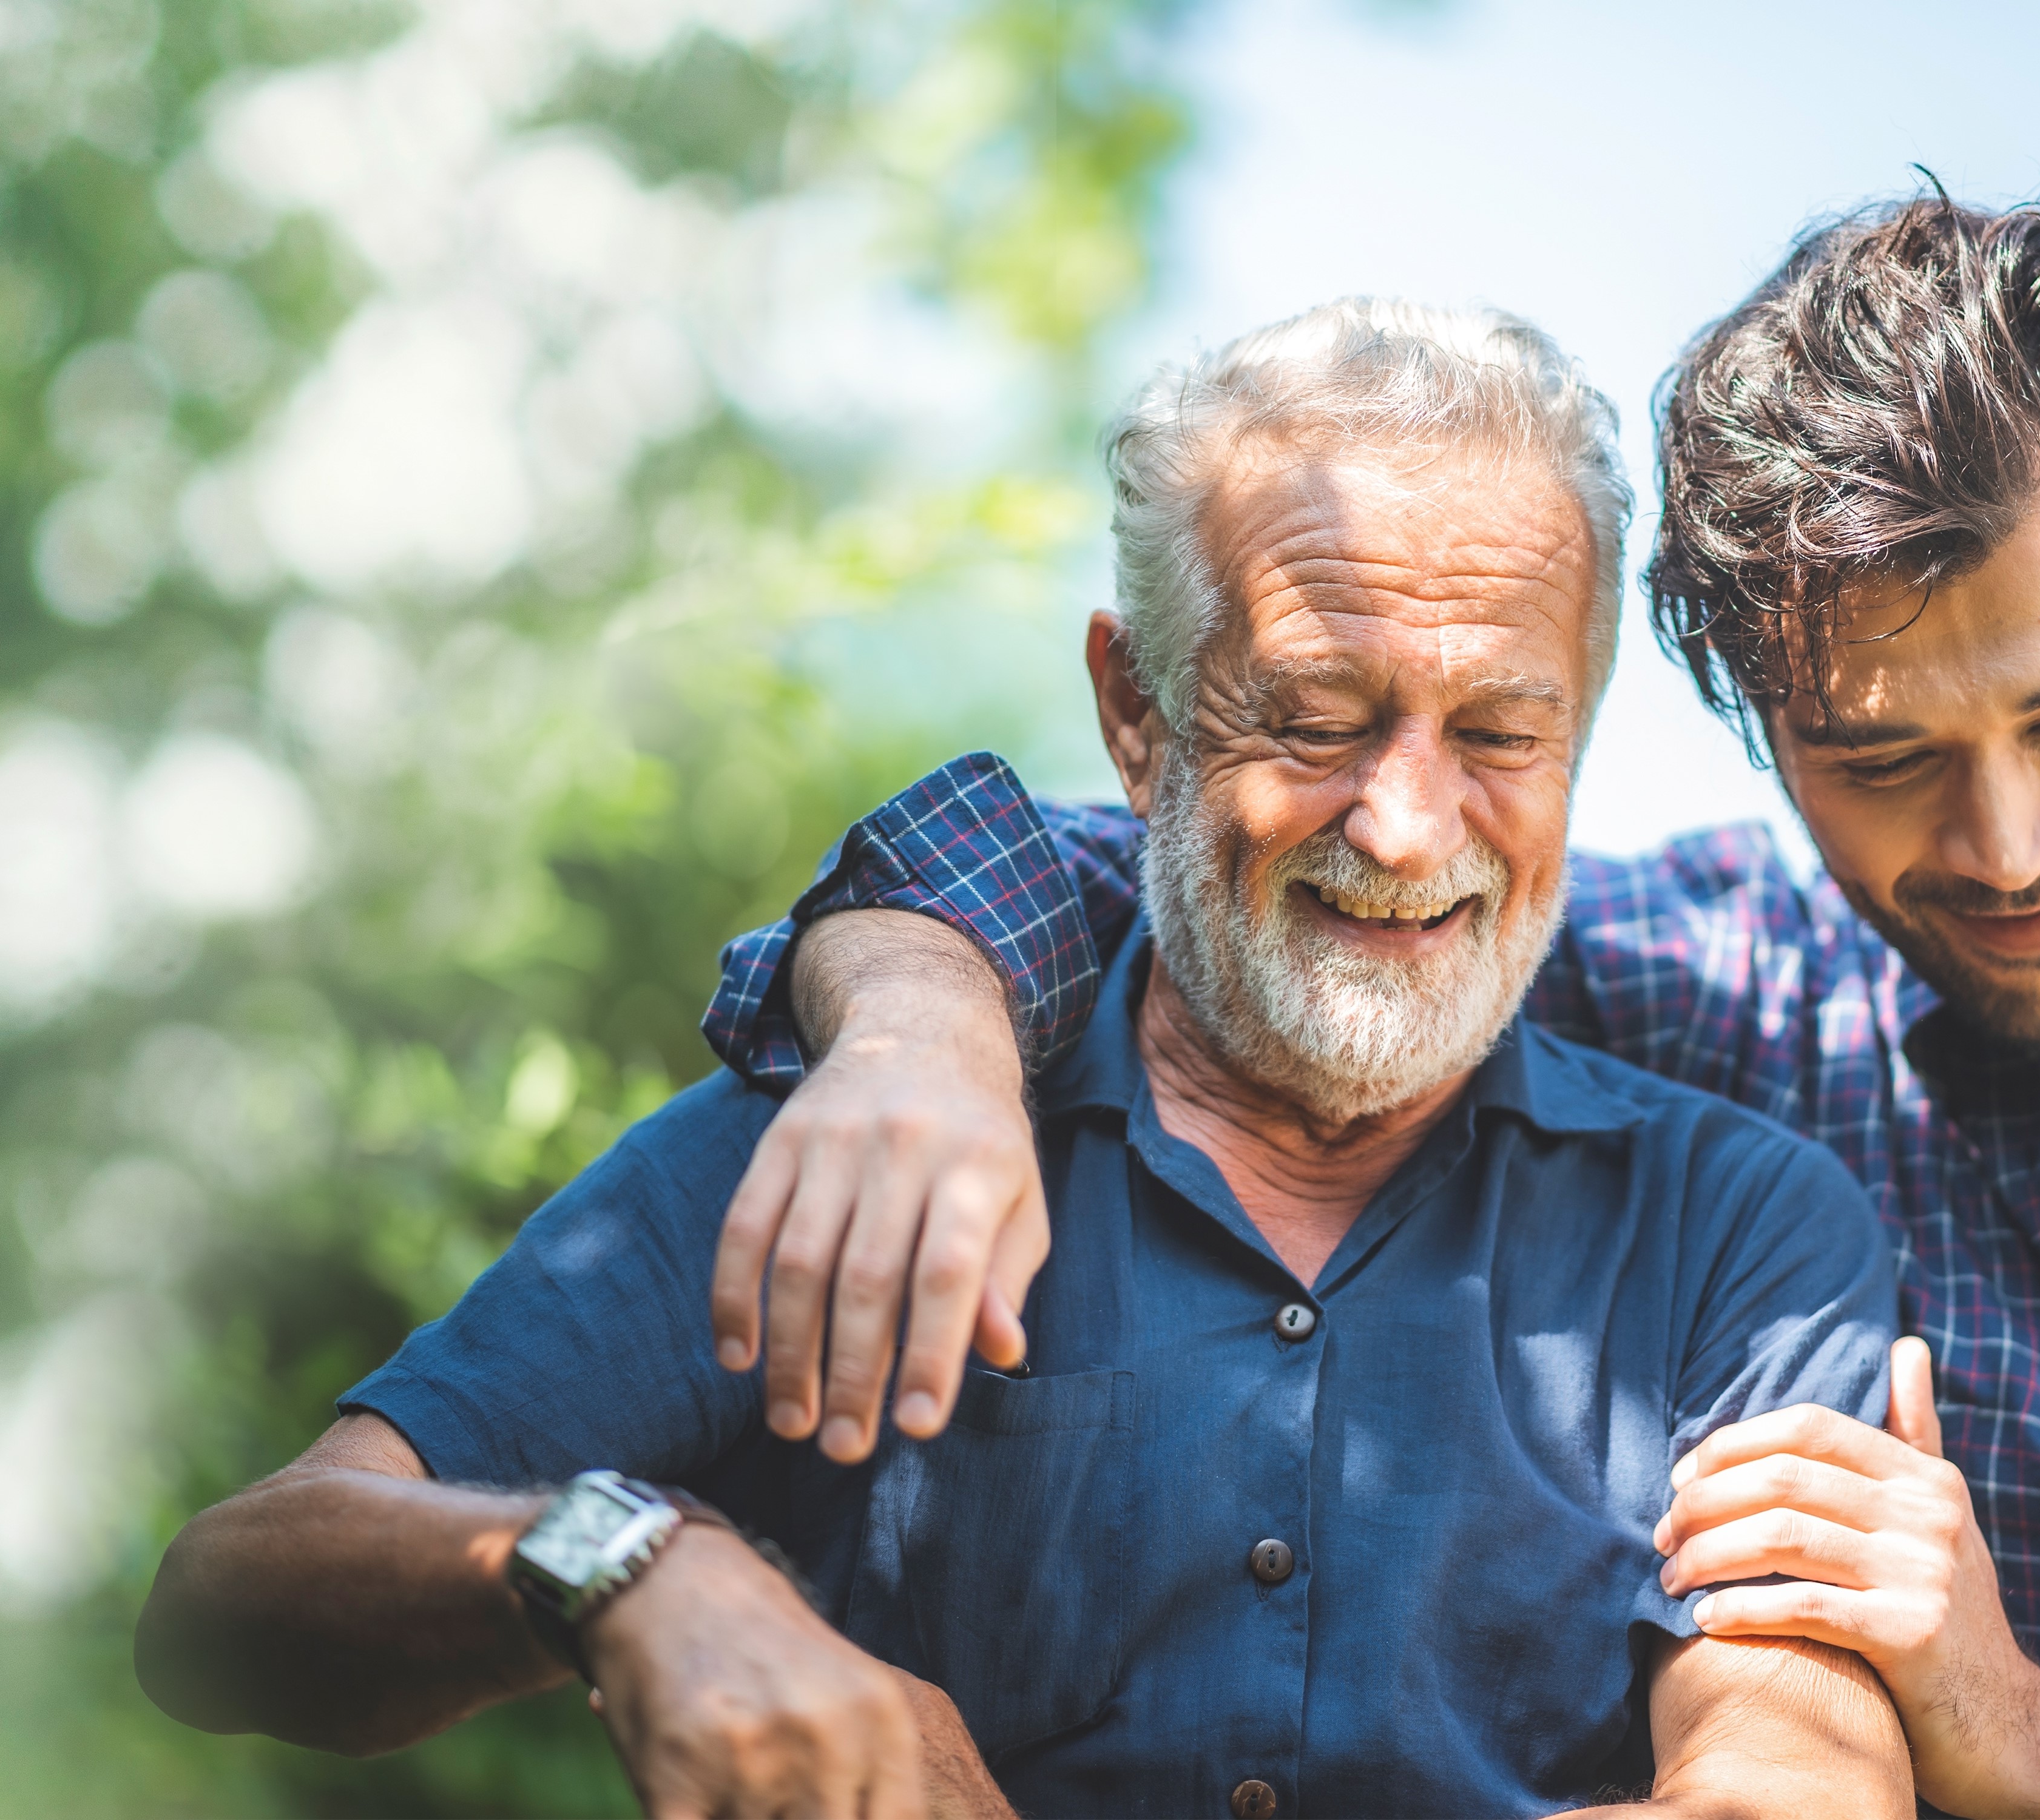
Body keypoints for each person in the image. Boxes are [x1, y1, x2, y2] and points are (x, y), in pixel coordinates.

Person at [698, 196, 2040, 1818]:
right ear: (1753, 727)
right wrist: (915, 1022)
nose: (2008, 844)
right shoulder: (1688, 985)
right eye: (1887, 762)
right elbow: (1222, 866)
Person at [133, 299, 1916, 1818]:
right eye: (1313, 719)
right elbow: (229, 1600)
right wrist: (630, 1564)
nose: (1406, 824)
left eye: (1505, 731)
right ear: (1137, 712)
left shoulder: (1739, 1227)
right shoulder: (857, 1140)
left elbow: (1799, 1779)